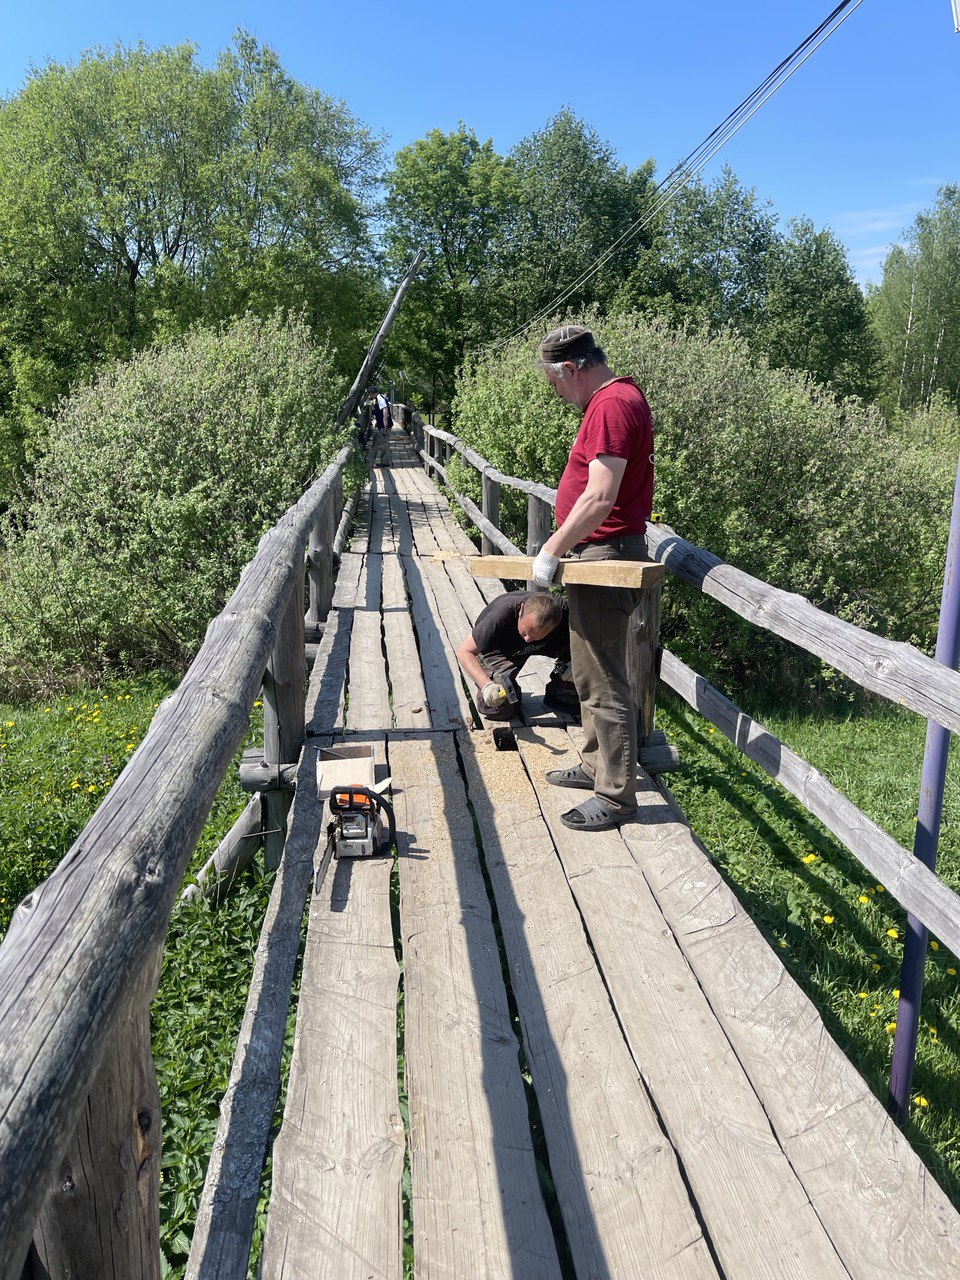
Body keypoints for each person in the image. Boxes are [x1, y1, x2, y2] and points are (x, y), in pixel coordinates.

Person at [531, 325, 654, 831]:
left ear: (572, 369)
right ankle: (593, 765)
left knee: (604, 679)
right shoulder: (613, 401)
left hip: (605, 555)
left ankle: (617, 795)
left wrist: (552, 547)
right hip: (593, 554)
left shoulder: (610, 404)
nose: (558, 395)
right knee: (586, 671)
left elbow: (601, 497)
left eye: (556, 384)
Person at [455, 591, 577, 721]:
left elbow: (594, 643)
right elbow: (464, 652)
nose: (528, 639)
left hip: (548, 645)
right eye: (525, 632)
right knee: (499, 706)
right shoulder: (499, 616)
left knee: (579, 670)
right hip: (501, 651)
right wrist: (487, 686)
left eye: (535, 635)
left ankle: (559, 692)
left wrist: (576, 666)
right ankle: (510, 692)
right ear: (521, 610)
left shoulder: (565, 614)